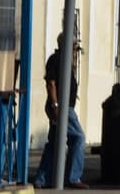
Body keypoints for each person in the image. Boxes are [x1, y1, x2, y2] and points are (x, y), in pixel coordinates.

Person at [34, 33, 88, 189]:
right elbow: (51, 83)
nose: (75, 50)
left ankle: (42, 179)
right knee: (78, 138)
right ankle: (73, 177)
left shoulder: (64, 61)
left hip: (62, 106)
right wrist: (56, 105)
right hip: (62, 107)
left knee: (55, 143)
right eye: (73, 47)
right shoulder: (56, 59)